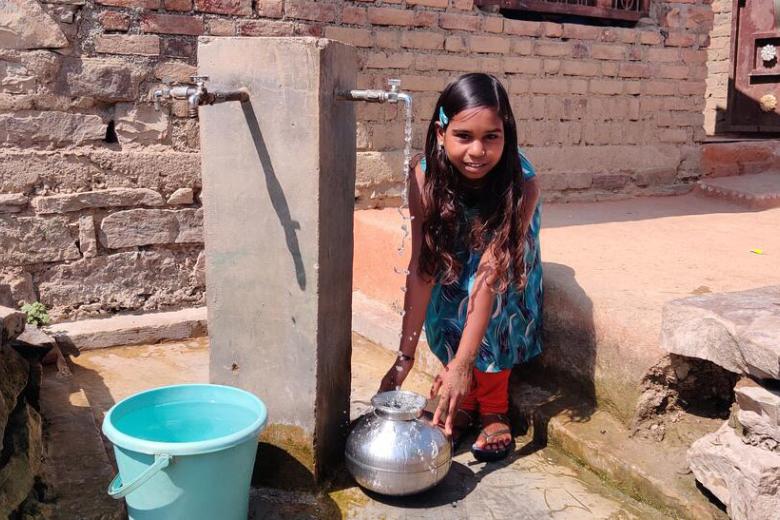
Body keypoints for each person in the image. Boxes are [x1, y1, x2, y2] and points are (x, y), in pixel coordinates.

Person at [379, 73, 542, 462]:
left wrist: (466, 361)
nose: (477, 151)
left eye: (492, 137)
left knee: (499, 300)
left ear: (507, 134)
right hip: (455, 241)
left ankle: (492, 405)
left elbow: (487, 280)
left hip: (502, 262)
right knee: (447, 292)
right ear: (440, 132)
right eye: (463, 135)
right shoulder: (423, 178)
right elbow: (422, 268)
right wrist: (405, 357)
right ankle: (463, 398)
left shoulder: (523, 185)